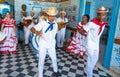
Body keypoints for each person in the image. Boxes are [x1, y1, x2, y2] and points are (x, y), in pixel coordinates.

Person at [31, 7, 61, 77]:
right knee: (41, 59)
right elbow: (32, 29)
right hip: (43, 43)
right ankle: (40, 75)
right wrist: (37, 32)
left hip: (51, 43)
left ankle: (55, 71)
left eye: (53, 16)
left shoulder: (56, 24)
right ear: (47, 16)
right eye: (50, 16)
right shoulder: (43, 23)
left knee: (54, 58)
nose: (52, 17)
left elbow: (55, 33)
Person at [78, 6, 107, 77]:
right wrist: (86, 35)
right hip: (89, 44)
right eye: (99, 15)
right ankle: (89, 74)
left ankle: (86, 70)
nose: (101, 17)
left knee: (95, 59)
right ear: (97, 15)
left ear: (105, 15)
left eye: (103, 15)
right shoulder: (92, 23)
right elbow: (81, 30)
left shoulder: (103, 24)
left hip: (96, 44)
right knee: (90, 59)